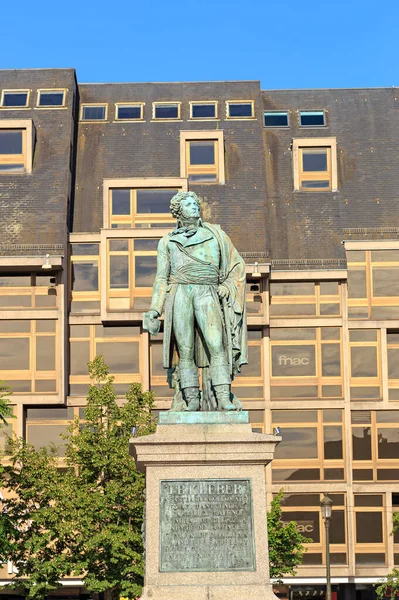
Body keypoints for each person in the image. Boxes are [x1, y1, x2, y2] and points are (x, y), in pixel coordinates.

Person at [143, 191, 247, 411]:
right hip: (180, 293)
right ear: (179, 211)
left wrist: (227, 286)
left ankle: (223, 398)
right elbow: (162, 277)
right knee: (185, 349)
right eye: (189, 204)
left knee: (216, 344)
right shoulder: (167, 242)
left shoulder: (216, 234)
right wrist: (154, 309)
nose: (195, 207)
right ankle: (191, 400)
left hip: (207, 292)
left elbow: (236, 265)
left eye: (195, 204)